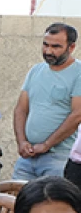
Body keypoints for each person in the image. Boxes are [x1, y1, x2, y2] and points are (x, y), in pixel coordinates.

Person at [13, 23, 81, 179]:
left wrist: (46, 145)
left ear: (71, 48)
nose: (48, 51)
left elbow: (77, 114)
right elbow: (21, 109)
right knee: (18, 201)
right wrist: (22, 142)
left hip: (59, 157)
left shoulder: (78, 72)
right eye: (45, 45)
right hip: (27, 158)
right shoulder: (36, 70)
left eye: (56, 46)